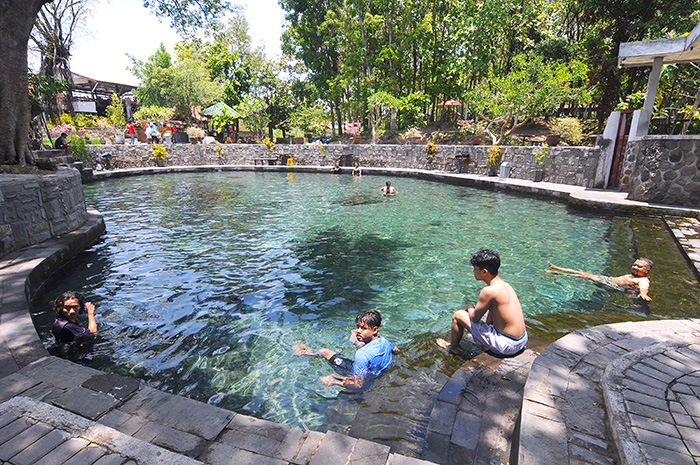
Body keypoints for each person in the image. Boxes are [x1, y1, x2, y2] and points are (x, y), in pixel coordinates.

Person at [437, 248, 527, 357]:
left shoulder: (488, 291)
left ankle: (452, 347)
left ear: (484, 272)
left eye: (475, 269)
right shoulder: (506, 286)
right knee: (484, 318)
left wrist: (470, 307)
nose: (473, 271)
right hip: (521, 341)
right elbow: (492, 315)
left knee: (458, 315)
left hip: (507, 346)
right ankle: (478, 338)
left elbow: (475, 318)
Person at [293, 310, 398, 389]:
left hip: (364, 376)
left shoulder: (361, 355)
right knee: (358, 342)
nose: (358, 331)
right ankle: (355, 342)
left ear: (375, 330)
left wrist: (334, 380)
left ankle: (306, 353)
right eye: (357, 327)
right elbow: (395, 350)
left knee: (324, 351)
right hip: (374, 370)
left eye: (363, 328)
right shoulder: (384, 341)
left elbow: (357, 384)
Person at [546, 258, 653, 300]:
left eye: (639, 267)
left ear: (647, 270)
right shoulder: (633, 275)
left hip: (611, 285)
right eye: (635, 265)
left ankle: (557, 272)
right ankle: (557, 268)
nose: (635, 267)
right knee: (584, 273)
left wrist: (644, 294)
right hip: (608, 280)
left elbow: (644, 287)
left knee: (585, 275)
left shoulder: (643, 280)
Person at [49, 291, 98, 363]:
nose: (72, 311)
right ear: (60, 308)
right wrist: (90, 313)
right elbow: (93, 331)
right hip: (70, 356)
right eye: (67, 308)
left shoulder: (60, 318)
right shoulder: (67, 326)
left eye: (75, 307)